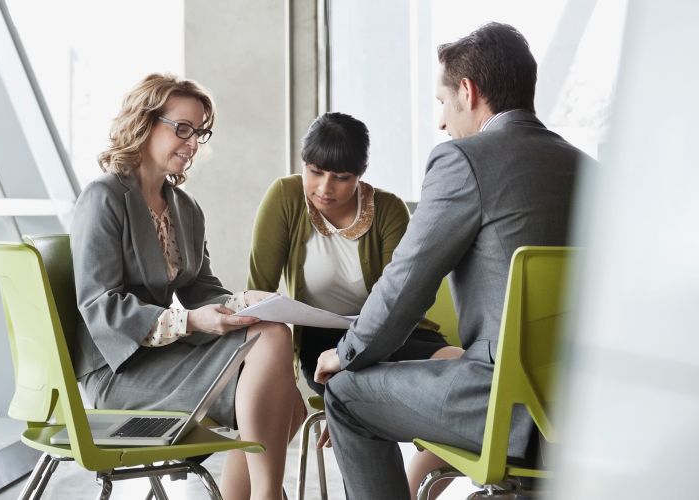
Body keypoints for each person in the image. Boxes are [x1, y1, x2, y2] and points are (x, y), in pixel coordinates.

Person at [311, 22, 589, 500]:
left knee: (346, 394)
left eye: (443, 102)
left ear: (468, 91)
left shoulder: (463, 160)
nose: (441, 122)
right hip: (586, 411)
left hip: (504, 406)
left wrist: (346, 352)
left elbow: (406, 284)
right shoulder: (591, 170)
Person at [71, 73, 304, 500]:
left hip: (165, 357)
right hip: (118, 368)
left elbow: (201, 288)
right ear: (144, 123)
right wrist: (191, 321)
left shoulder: (185, 208)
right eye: (182, 128)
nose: (193, 143)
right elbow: (101, 305)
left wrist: (242, 301)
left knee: (287, 390)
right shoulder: (103, 197)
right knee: (277, 371)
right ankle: (269, 496)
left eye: (199, 132)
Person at [246, 112, 464, 494]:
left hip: (393, 335)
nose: (324, 187)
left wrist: (353, 386)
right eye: (315, 172)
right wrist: (284, 377)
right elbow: (257, 295)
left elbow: (400, 300)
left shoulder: (389, 210)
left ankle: (410, 491)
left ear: (361, 174)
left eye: (341, 177)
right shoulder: (285, 197)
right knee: (349, 400)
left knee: (472, 377)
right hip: (324, 349)